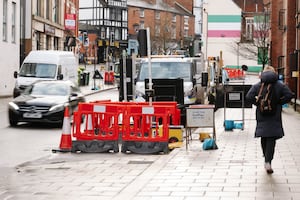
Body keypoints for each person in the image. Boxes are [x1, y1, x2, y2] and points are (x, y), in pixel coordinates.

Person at [246, 66, 293, 174]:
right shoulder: (279, 85)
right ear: (274, 73)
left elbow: (249, 96)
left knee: (264, 135)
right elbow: (289, 95)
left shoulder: (258, 85)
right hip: (274, 114)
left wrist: (257, 103)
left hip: (261, 114)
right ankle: (268, 161)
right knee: (271, 137)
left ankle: (265, 155)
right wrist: (279, 102)